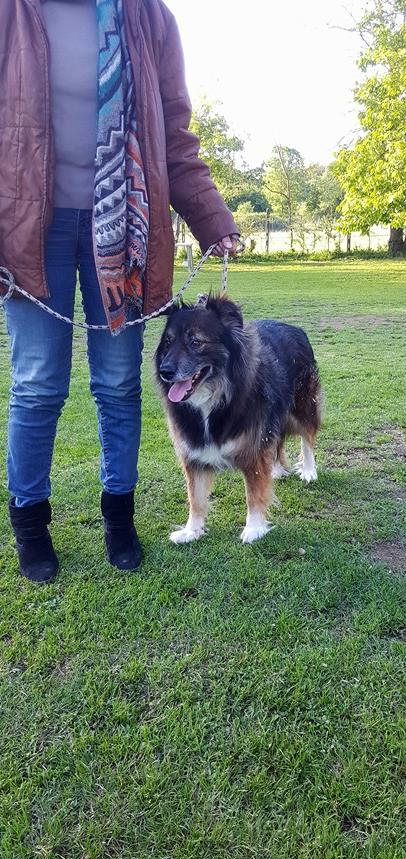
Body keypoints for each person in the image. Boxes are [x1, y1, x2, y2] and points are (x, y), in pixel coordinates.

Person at [0, 0, 240, 584]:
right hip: (29, 228)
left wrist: (215, 220)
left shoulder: (148, 17)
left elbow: (175, 137)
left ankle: (119, 519)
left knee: (118, 383)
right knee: (38, 382)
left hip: (125, 230)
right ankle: (30, 526)